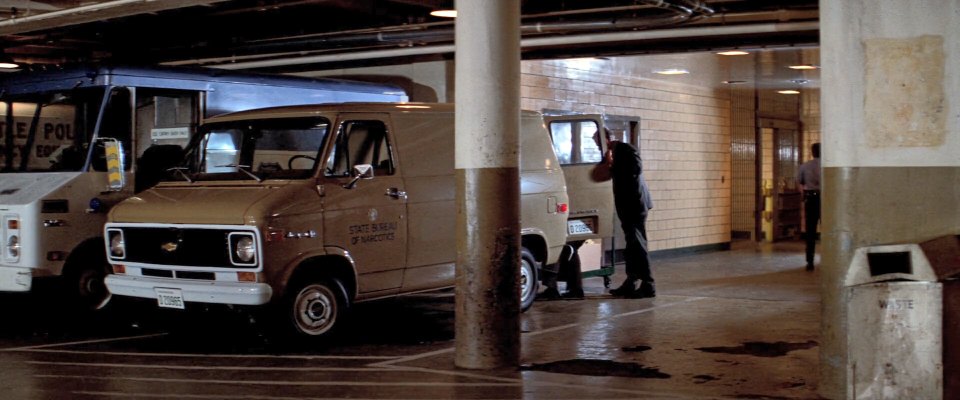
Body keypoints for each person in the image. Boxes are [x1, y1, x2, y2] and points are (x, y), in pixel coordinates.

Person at [595, 128, 656, 298]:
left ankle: (648, 284)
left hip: (635, 204)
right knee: (632, 244)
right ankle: (631, 281)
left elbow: (635, 169)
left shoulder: (626, 149)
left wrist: (612, 167)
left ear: (606, 139)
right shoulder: (611, 153)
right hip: (627, 205)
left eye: (597, 141)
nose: (596, 145)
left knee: (637, 244)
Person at [796, 142, 821, 271]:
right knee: (827, 230)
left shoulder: (805, 166)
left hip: (811, 198)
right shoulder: (827, 166)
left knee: (810, 231)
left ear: (812, 152)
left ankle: (809, 261)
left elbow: (800, 183)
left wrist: (804, 195)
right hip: (825, 199)